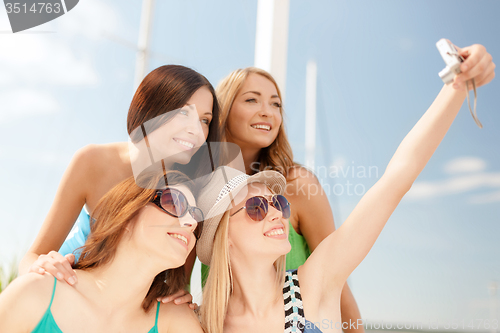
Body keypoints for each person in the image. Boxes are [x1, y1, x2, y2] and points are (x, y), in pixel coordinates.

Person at [196, 42, 495, 333]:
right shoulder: (201, 323)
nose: (277, 213)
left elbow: (398, 178)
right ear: (222, 231)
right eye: (257, 207)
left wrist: (458, 82)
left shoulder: (314, 283)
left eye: (280, 203)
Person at [18, 65, 220, 307]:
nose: (196, 130)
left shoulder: (189, 191)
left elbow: (177, 284)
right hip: (65, 292)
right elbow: (32, 257)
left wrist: (178, 296)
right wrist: (41, 266)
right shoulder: (93, 162)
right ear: (152, 106)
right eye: (184, 113)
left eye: (205, 120)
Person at [212, 67, 363, 329]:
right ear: (223, 110)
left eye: (276, 104)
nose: (267, 111)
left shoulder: (299, 185)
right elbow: (178, 279)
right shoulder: (207, 194)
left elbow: (337, 283)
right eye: (251, 99)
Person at [0, 170, 205, 332]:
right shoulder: (35, 292)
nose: (190, 223)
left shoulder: (176, 323)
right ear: (127, 213)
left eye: (196, 215)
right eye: (174, 202)